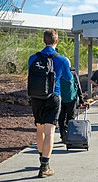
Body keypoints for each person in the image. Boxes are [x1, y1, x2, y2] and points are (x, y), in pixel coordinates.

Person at [28, 29, 72, 178]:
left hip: (36, 97)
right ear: (56, 41)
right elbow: (67, 78)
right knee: (50, 132)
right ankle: (44, 167)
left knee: (39, 130)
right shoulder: (62, 60)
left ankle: (42, 159)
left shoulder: (33, 58)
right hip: (53, 96)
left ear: (43, 40)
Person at [59, 58, 85, 143]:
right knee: (70, 117)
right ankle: (69, 134)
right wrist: (81, 99)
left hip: (60, 99)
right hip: (71, 98)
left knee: (61, 117)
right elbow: (78, 86)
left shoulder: (58, 72)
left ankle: (62, 134)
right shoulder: (73, 73)